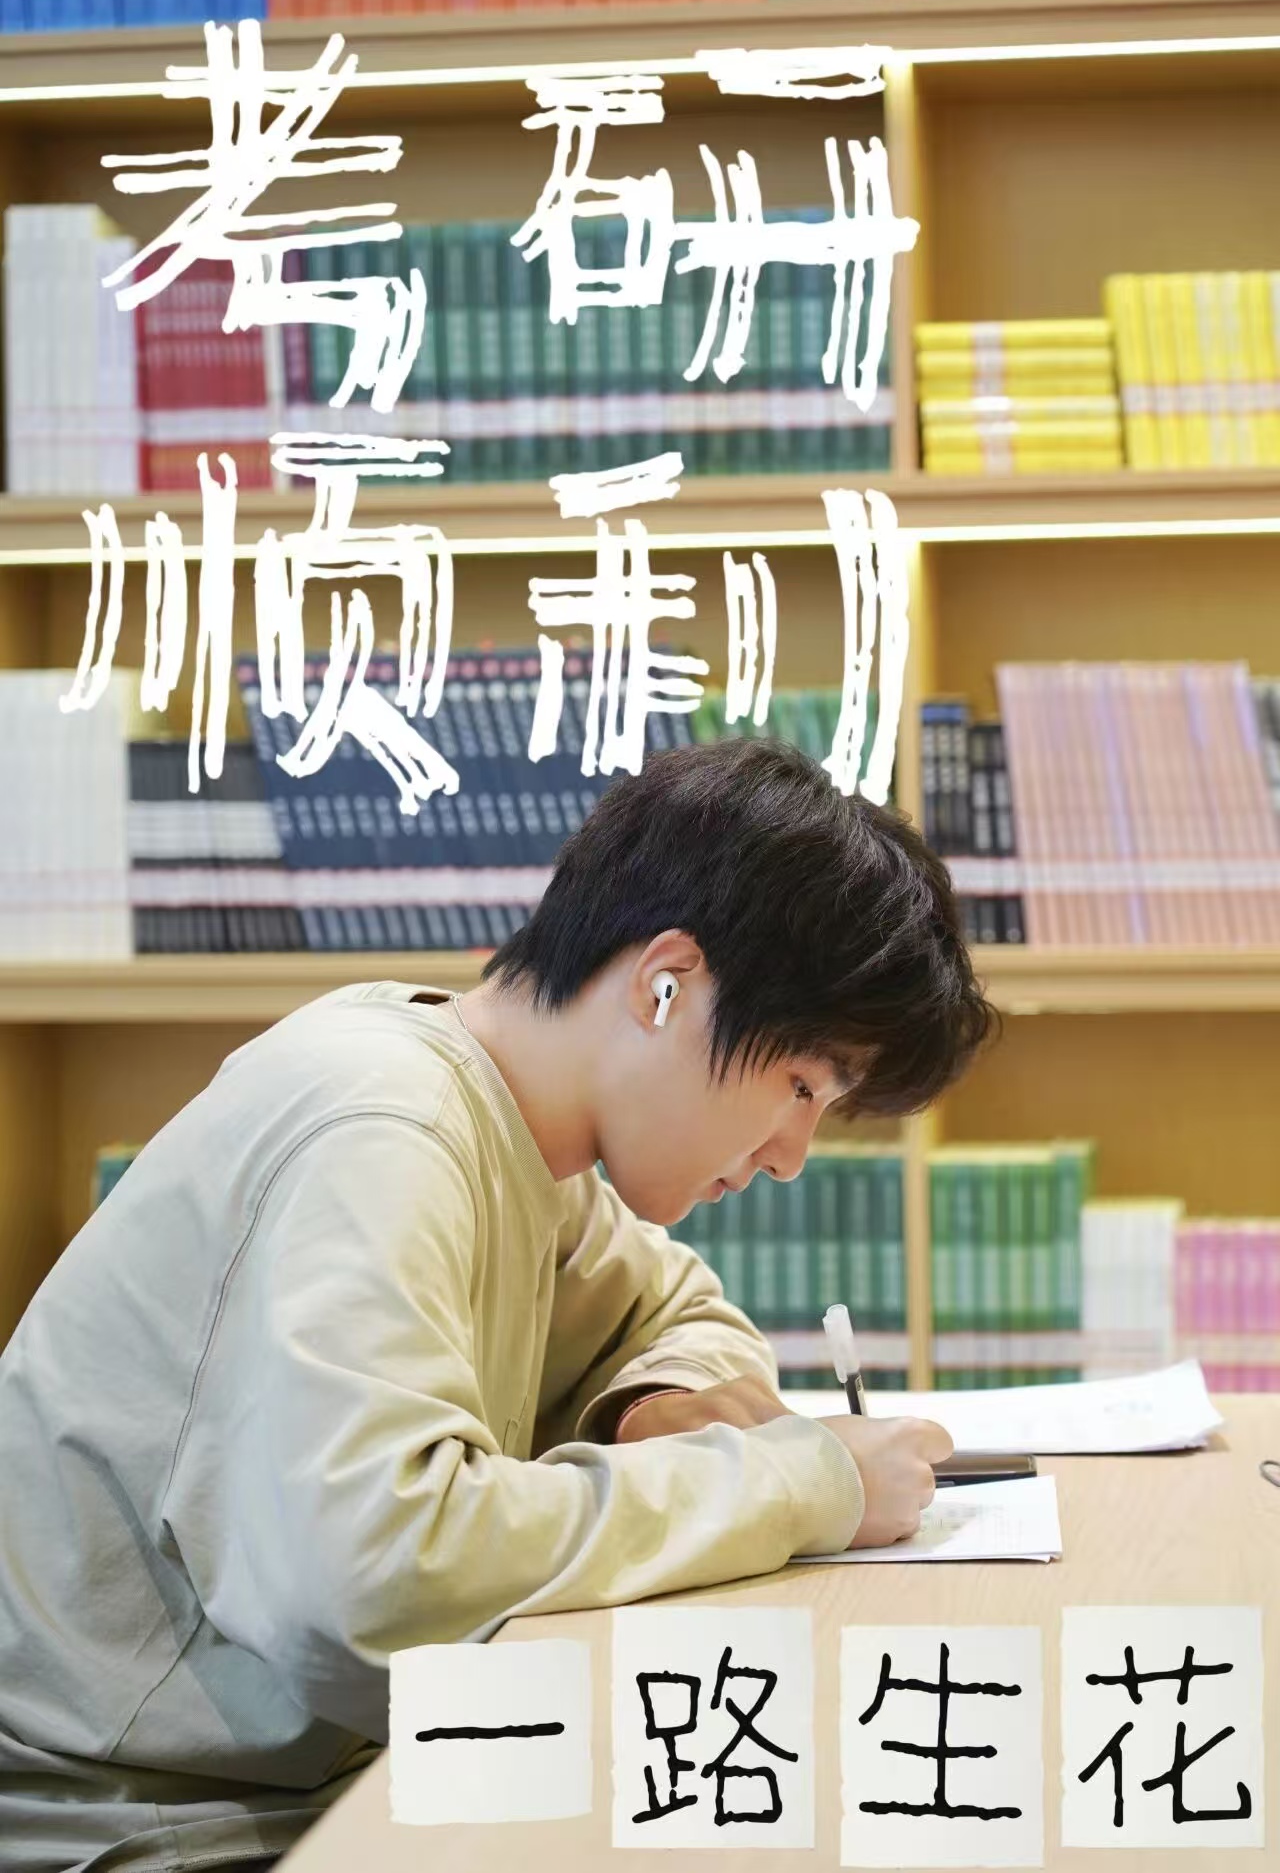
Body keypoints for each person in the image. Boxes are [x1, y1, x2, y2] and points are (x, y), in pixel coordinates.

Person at [0, 735, 994, 1871]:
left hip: (299, 1786)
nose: (790, 1155)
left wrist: (653, 1406)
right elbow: (385, 1579)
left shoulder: (517, 1132)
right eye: (801, 1084)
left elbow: (679, 1314)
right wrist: (801, 1482)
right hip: (139, 1826)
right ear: (665, 984)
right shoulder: (385, 1126)